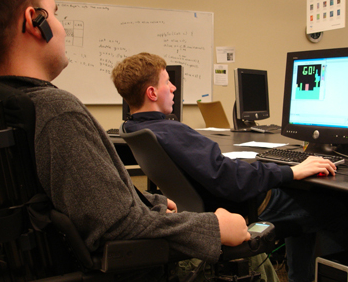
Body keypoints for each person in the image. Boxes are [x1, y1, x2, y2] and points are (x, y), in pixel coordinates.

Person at [0, 0, 252, 280]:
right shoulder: (55, 111)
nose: (62, 27)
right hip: (127, 267)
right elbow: (117, 227)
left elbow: (86, 201)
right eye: (57, 14)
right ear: (35, 21)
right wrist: (214, 228)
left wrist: (147, 200)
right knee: (253, 253)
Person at [111, 52, 348, 282]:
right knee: (336, 206)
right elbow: (233, 180)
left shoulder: (132, 128)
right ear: (151, 92)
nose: (173, 88)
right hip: (244, 206)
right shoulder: (172, 132)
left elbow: (221, 172)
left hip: (206, 206)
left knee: (303, 204)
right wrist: (291, 171)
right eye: (167, 82)